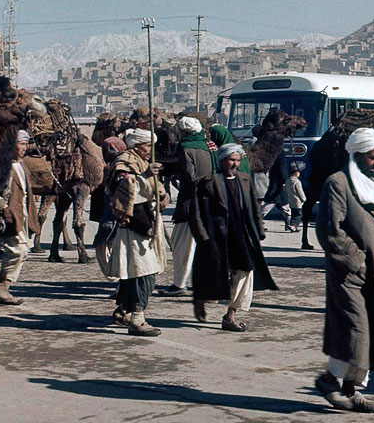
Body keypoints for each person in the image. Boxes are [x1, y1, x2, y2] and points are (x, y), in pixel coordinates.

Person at [314, 127, 374, 413]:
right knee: (355, 329)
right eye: (372, 158)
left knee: (370, 329)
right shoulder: (337, 183)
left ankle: (350, 390)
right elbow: (329, 230)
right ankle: (328, 380)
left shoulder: (370, 185)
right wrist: (356, 259)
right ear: (358, 155)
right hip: (350, 273)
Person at [190, 142, 276, 332]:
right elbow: (197, 212)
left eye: (238, 160)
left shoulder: (245, 180)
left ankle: (230, 315)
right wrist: (202, 236)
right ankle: (201, 298)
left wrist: (259, 230)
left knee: (245, 271)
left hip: (241, 234)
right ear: (221, 161)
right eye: (231, 160)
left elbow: (253, 209)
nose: (235, 164)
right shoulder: (207, 182)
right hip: (216, 235)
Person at [103, 127, 168, 336]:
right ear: (137, 145)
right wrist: (145, 175)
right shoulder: (123, 162)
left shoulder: (141, 161)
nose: (151, 151)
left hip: (148, 221)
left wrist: (161, 194)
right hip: (134, 225)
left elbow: (153, 189)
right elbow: (123, 190)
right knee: (143, 273)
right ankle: (137, 318)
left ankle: (123, 311)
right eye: (148, 146)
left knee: (135, 273)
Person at [159, 116, 215, 296]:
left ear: (183, 132)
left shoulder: (185, 148)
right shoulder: (210, 145)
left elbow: (190, 178)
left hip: (191, 203)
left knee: (181, 244)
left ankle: (179, 284)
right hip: (210, 201)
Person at [0, 129, 40, 306]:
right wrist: (3, 207)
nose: (24, 148)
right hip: (8, 218)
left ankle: (3, 287)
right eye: (21, 144)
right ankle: (1, 283)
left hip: (22, 216)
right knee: (19, 250)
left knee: (23, 251)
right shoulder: (0, 166)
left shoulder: (21, 165)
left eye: (26, 144)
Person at [286, 162, 307, 231]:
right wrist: (304, 199)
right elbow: (300, 192)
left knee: (293, 215)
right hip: (297, 201)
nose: (299, 173)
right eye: (298, 172)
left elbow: (285, 189)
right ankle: (293, 226)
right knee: (298, 215)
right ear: (295, 173)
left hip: (291, 200)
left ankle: (291, 225)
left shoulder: (288, 180)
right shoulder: (297, 182)